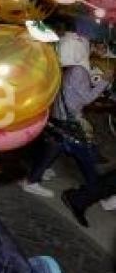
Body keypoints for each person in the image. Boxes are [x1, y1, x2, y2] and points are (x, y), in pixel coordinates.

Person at [22, 32, 111, 198]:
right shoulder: (79, 71)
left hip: (59, 115)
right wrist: (105, 81)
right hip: (68, 119)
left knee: (54, 146)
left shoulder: (68, 66)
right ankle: (99, 193)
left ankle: (37, 174)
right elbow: (86, 98)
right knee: (85, 156)